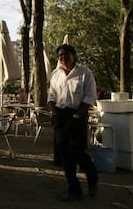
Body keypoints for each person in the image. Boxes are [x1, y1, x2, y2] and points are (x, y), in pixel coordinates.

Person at [47, 44, 98, 202]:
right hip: (60, 115)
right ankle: (74, 190)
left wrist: (77, 116)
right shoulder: (55, 74)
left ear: (73, 55)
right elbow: (51, 96)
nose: (63, 57)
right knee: (64, 155)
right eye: (60, 55)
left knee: (77, 152)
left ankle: (92, 178)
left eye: (66, 54)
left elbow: (89, 97)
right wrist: (54, 111)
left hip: (77, 115)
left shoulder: (85, 72)